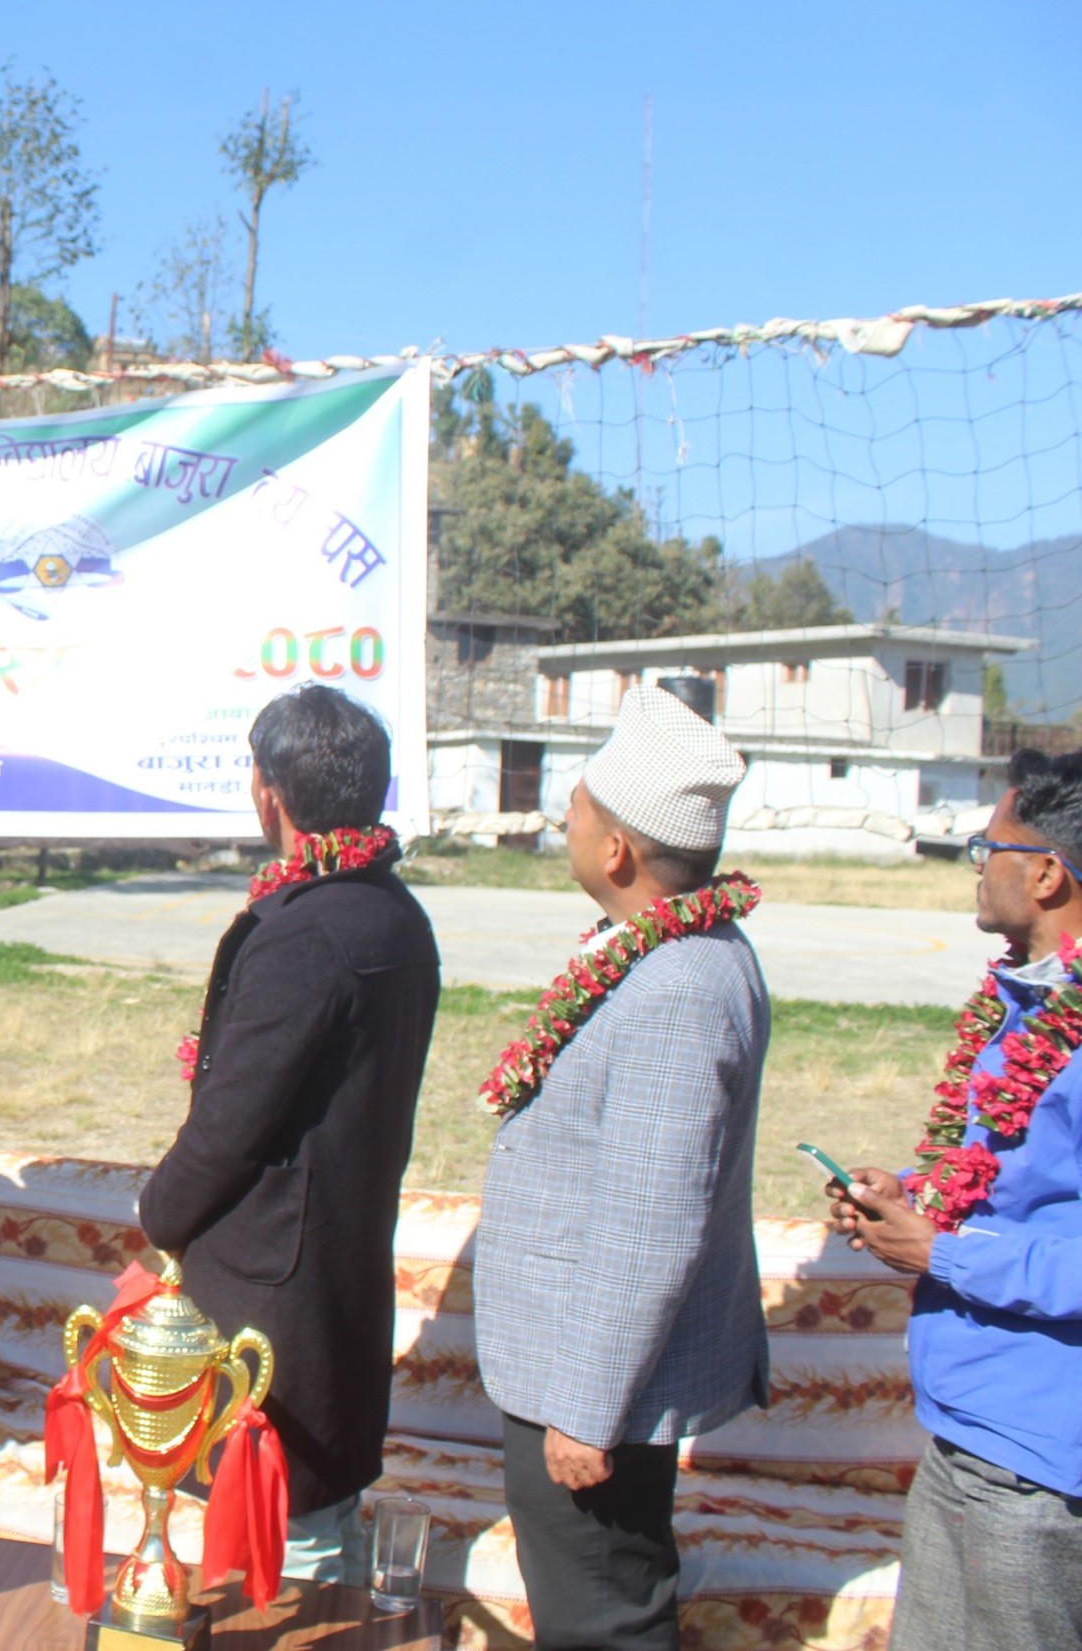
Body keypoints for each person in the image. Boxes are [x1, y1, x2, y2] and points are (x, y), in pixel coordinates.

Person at [472, 684, 771, 1651]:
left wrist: (588, 1413)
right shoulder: (675, 950)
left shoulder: (677, 985)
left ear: (616, 852)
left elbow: (651, 1220)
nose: (564, 818)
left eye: (579, 807)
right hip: (587, 1371)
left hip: (597, 1386)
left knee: (604, 1619)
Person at [138, 685, 440, 1585]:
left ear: (269, 794)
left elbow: (231, 1122)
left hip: (273, 1294)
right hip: (334, 1266)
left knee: (278, 1544)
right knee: (321, 1522)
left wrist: (156, 1212)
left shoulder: (308, 933)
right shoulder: (393, 914)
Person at [829, 748, 1082, 1651]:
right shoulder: (1030, 999)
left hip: (1037, 1464)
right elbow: (1017, 1175)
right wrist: (916, 1193)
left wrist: (940, 1252)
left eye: (989, 843)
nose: (977, 861)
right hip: (964, 1431)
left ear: (1046, 872)